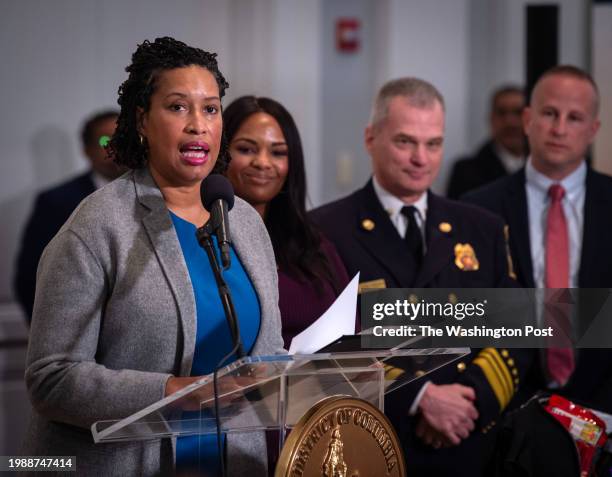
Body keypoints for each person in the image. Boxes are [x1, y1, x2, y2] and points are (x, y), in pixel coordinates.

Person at [22, 37, 284, 477]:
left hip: (232, 460)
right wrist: (172, 391)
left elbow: (266, 352)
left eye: (211, 109)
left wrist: (308, 373)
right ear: (142, 120)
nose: (198, 125)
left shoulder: (244, 223)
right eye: (179, 107)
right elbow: (51, 378)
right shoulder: (100, 223)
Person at [310, 77, 530, 477]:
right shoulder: (326, 230)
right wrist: (420, 396)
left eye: (433, 144)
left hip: (474, 444)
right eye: (405, 141)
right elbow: (324, 345)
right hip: (375, 443)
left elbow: (517, 331)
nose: (421, 158)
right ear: (370, 138)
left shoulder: (482, 228)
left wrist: (471, 401)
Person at [464, 65, 612, 413]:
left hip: (604, 408)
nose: (559, 129)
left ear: (593, 129)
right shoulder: (476, 208)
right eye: (549, 113)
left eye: (574, 118)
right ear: (528, 119)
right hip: (506, 411)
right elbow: (471, 315)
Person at [223, 96, 351, 348]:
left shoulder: (314, 243)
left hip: (330, 385)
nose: (262, 162)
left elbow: (354, 331)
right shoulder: (203, 241)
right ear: (220, 153)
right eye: (246, 149)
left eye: (278, 152)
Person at [14, 110, 124, 322]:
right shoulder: (56, 202)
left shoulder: (156, 195)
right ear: (86, 150)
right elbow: (29, 276)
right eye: (105, 140)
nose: (114, 148)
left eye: (121, 139)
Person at [447, 85, 525, 199]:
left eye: (518, 113)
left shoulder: (543, 168)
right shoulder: (465, 172)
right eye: (501, 113)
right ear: (490, 118)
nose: (510, 122)